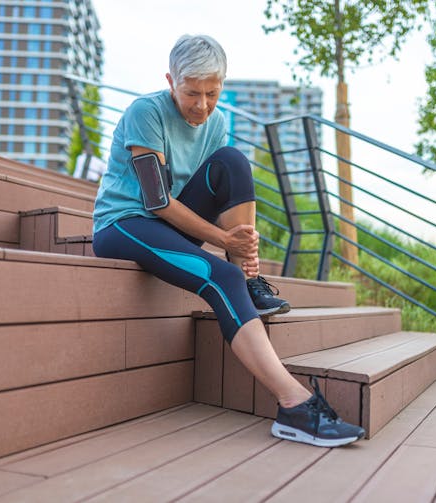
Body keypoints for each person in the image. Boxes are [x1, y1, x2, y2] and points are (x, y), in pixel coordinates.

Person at [92, 34, 364, 447]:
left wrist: (240, 249)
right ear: (171, 81)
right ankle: (295, 405)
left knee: (234, 161)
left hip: (169, 225)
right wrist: (223, 241)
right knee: (221, 278)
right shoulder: (144, 112)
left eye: (212, 93)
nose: (202, 105)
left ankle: (249, 276)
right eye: (191, 93)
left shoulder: (215, 123)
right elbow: (157, 201)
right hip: (124, 224)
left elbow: (218, 191)